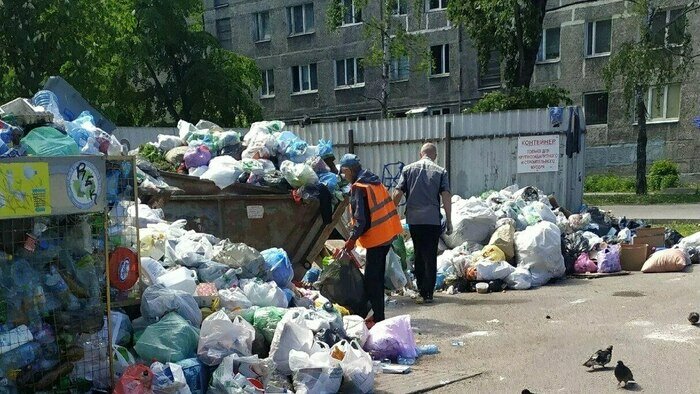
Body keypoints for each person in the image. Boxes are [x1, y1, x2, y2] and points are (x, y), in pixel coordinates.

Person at [339, 153, 402, 323]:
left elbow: (361, 221)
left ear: (349, 170)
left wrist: (351, 241)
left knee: (372, 281)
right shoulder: (374, 181)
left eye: (344, 173)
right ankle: (377, 315)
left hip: (376, 239)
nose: (344, 177)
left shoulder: (359, 187)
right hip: (386, 235)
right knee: (377, 278)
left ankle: (376, 317)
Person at [392, 143, 452, 304]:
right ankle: (429, 293)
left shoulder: (408, 169)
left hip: (415, 220)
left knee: (418, 253)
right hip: (432, 220)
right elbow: (446, 195)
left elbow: (398, 192)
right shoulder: (440, 171)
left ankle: (421, 288)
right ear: (435, 156)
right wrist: (450, 220)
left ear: (421, 154)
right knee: (430, 255)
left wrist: (390, 216)